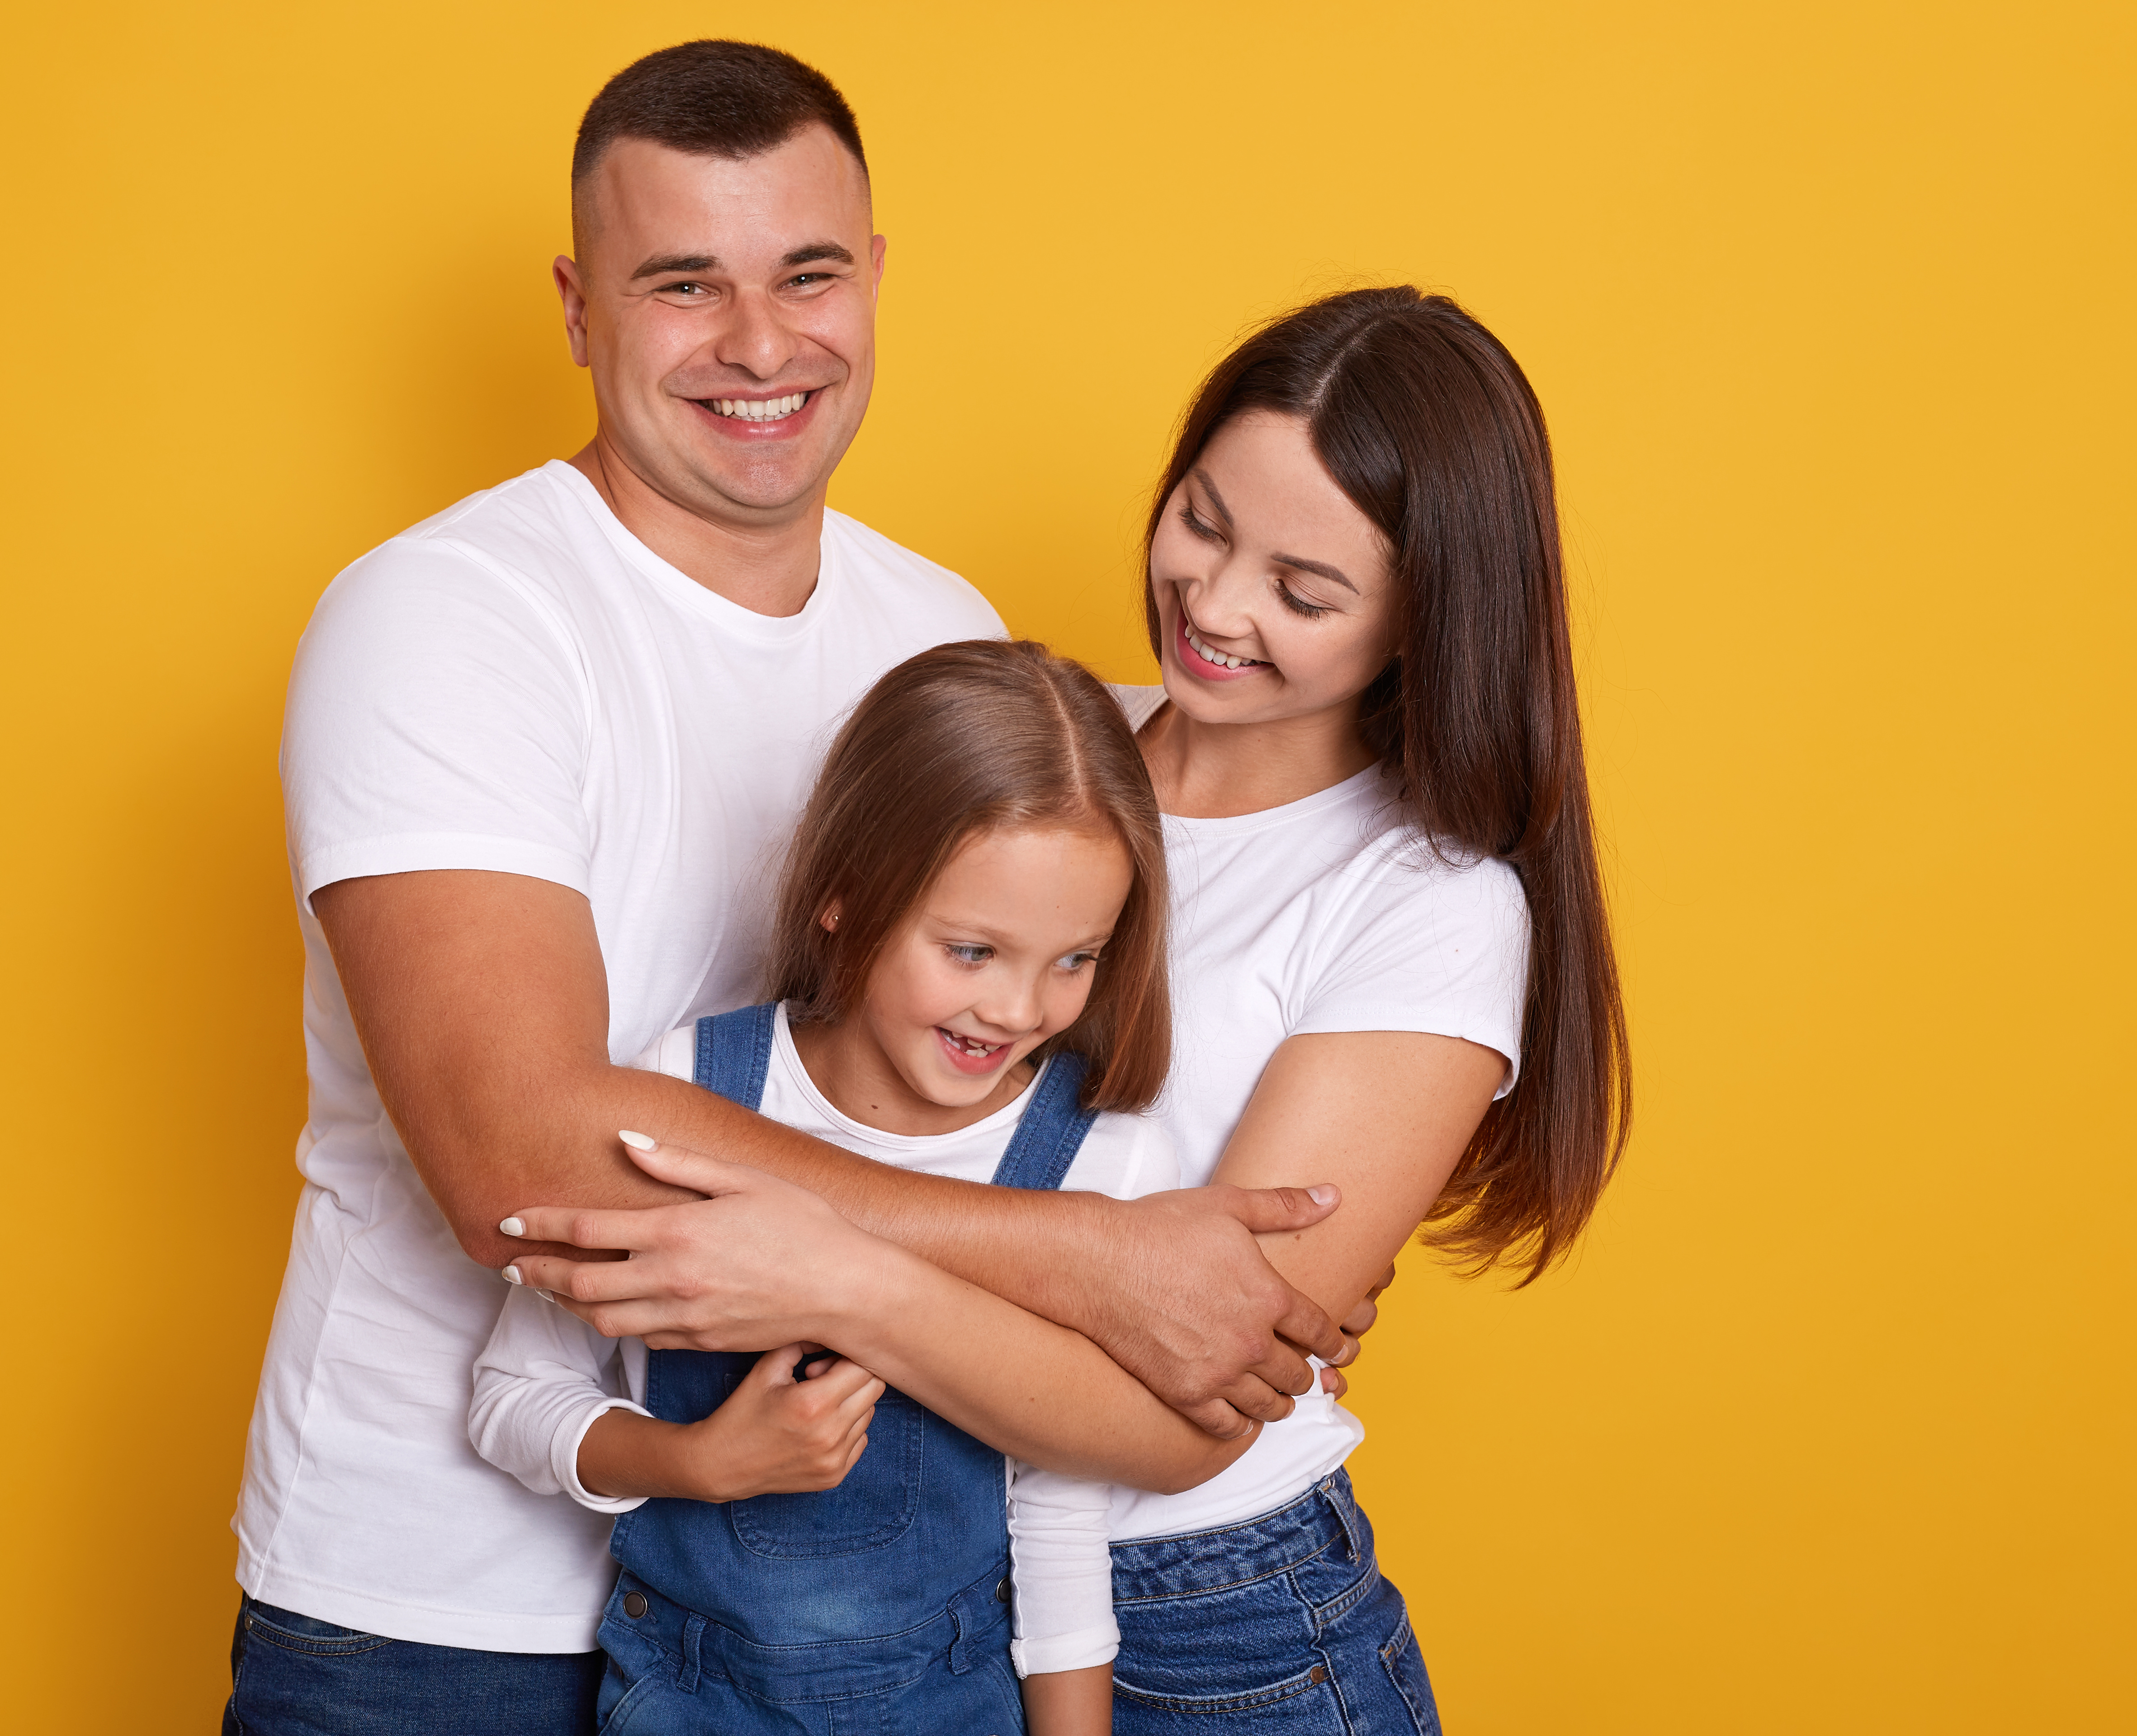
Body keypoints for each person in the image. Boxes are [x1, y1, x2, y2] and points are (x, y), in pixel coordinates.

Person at [223, 42, 1361, 1736]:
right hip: (438, 1605)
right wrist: (1101, 1263)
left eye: (807, 273)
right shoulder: (446, 619)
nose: (762, 346)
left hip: (840, 1626)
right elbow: (521, 1163)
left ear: (876, 279)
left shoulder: (941, 640)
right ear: (577, 305)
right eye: (685, 284)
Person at [506, 288, 1630, 1733]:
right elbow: (797, 1084)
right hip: (904, 1615)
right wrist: (1095, 1273)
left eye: (1305, 590)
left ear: (1427, 622)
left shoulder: (1425, 901)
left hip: (1217, 1628)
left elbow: (1180, 1417)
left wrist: (828, 1272)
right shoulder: (1037, 755)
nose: (1217, 607)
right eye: (1205, 523)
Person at [473, 639, 1172, 1735]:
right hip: (684, 1700)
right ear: (846, 895)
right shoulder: (691, 1088)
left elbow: (1060, 1512)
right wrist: (698, 1462)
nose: (1021, 1009)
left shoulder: (1096, 1162)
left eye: (1075, 959)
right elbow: (516, 1395)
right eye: (974, 951)